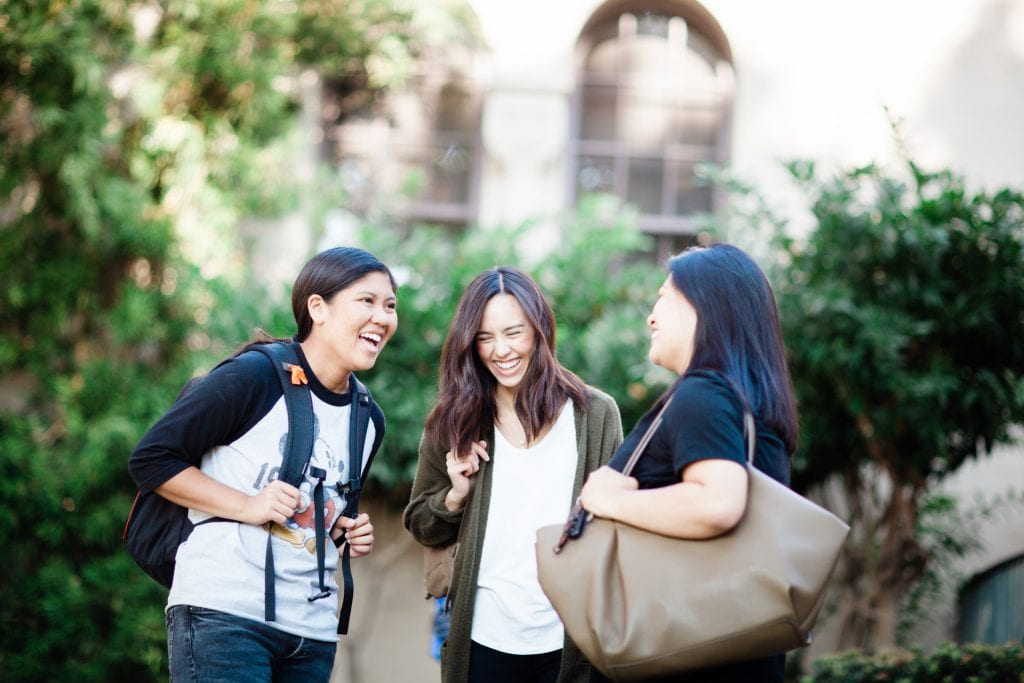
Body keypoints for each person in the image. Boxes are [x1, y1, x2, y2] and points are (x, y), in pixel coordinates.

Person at [128, 246, 397, 682]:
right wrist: (248, 505)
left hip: (312, 633)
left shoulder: (368, 418)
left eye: (389, 305)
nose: (382, 317)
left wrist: (344, 530)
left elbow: (313, 515)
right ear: (318, 308)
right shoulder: (256, 376)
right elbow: (153, 459)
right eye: (365, 301)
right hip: (224, 615)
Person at [578, 243, 797, 683]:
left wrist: (603, 497)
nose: (651, 317)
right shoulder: (745, 399)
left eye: (663, 297)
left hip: (679, 654)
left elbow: (716, 504)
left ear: (704, 305)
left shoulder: (704, 394)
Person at [404, 266, 623, 683]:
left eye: (514, 332)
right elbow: (421, 524)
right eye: (485, 338)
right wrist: (455, 496)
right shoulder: (453, 423)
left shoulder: (594, 415)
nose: (500, 350)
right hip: (484, 637)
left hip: (570, 636)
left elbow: (616, 525)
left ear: (540, 330)